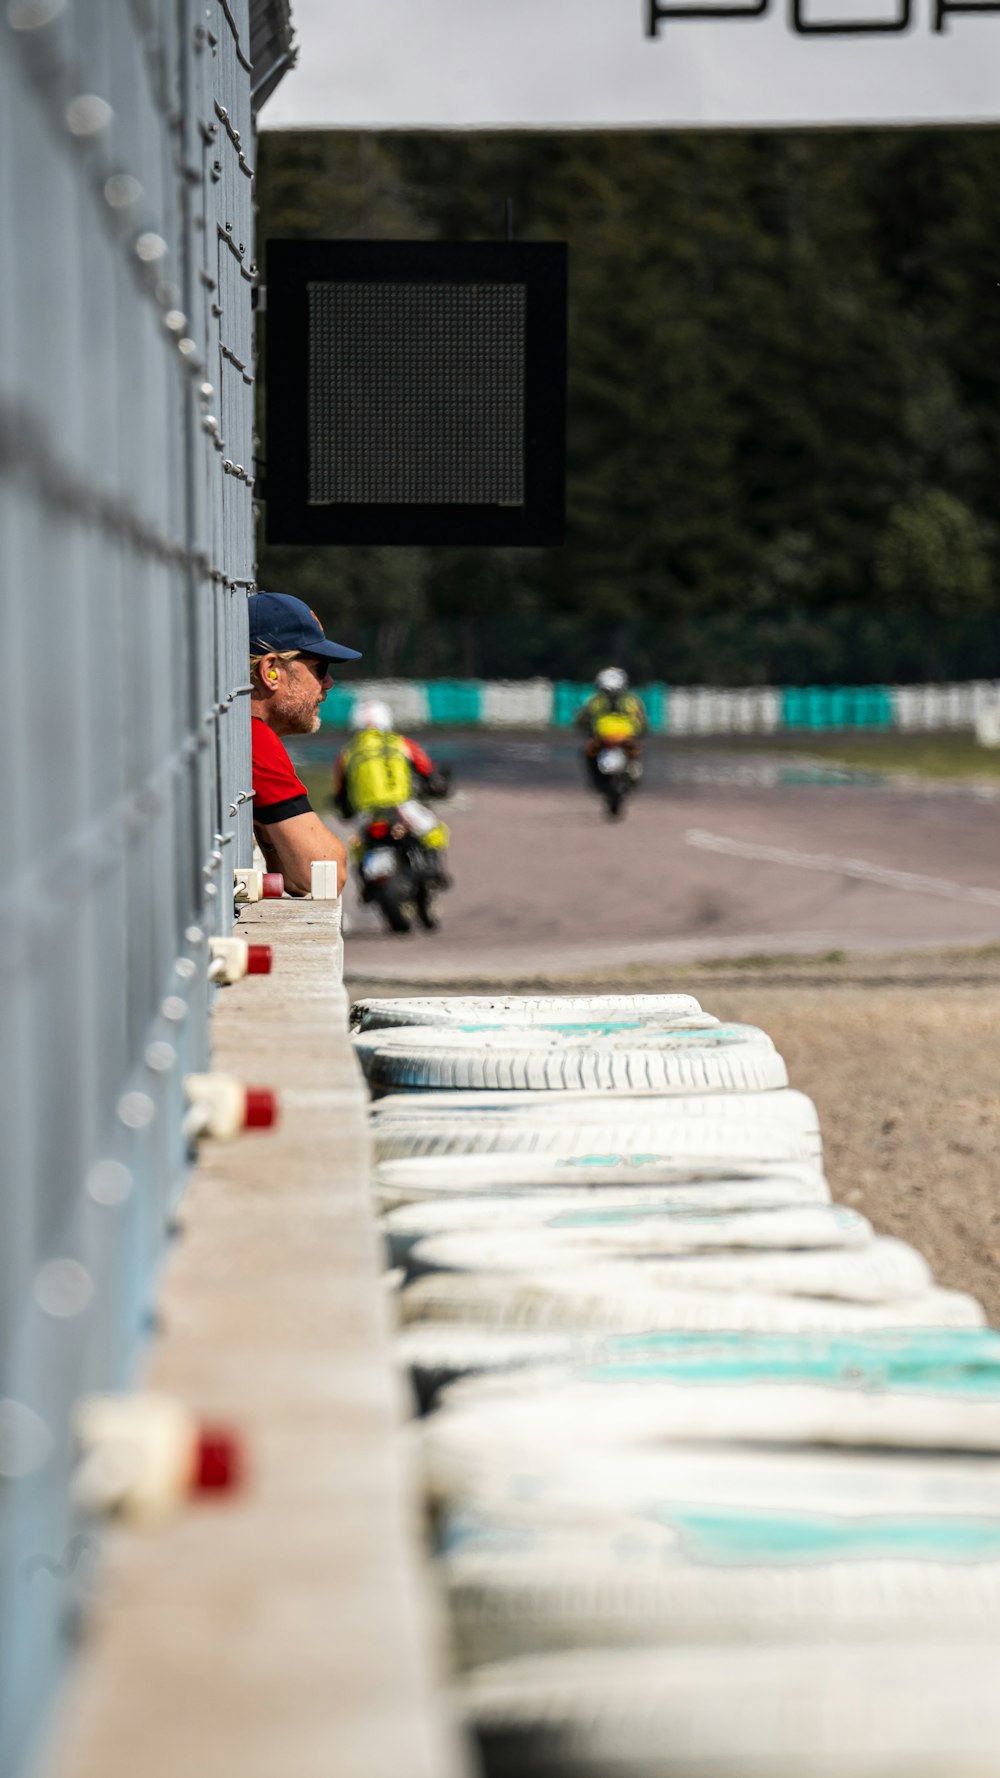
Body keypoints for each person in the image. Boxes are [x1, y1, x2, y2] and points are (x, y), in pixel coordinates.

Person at [249, 591, 361, 895]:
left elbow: (296, 878)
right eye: (320, 668)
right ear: (270, 670)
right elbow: (323, 873)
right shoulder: (253, 738)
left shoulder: (243, 729)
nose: (328, 683)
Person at [332, 700, 450, 878]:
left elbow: (340, 791)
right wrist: (437, 785)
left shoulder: (346, 753)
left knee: (358, 847)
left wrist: (344, 809)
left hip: (367, 813)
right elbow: (427, 771)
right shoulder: (402, 743)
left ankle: (365, 882)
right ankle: (433, 870)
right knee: (435, 831)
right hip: (402, 806)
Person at [575, 667, 648, 788]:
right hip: (620, 737)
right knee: (636, 750)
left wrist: (585, 731)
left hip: (606, 737)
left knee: (587, 752)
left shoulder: (595, 701)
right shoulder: (632, 700)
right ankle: (633, 770)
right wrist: (641, 732)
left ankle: (596, 778)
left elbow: (582, 720)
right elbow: (642, 721)